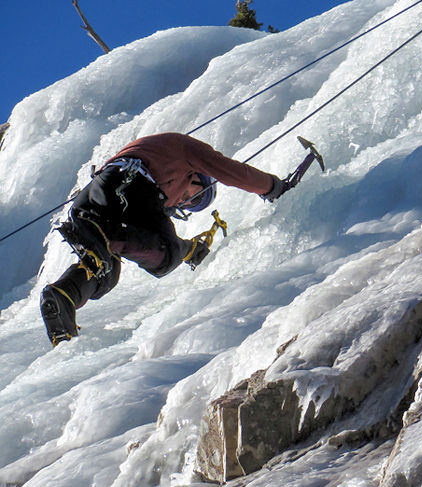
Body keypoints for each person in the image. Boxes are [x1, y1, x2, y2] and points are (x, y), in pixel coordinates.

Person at [40, 132, 287, 346]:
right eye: (194, 197)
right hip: (128, 185)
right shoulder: (184, 150)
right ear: (197, 176)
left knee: (107, 272)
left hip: (93, 199)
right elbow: (231, 171)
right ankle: (107, 243)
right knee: (166, 255)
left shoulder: (159, 163)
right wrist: (272, 187)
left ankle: (63, 297)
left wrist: (187, 251)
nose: (184, 202)